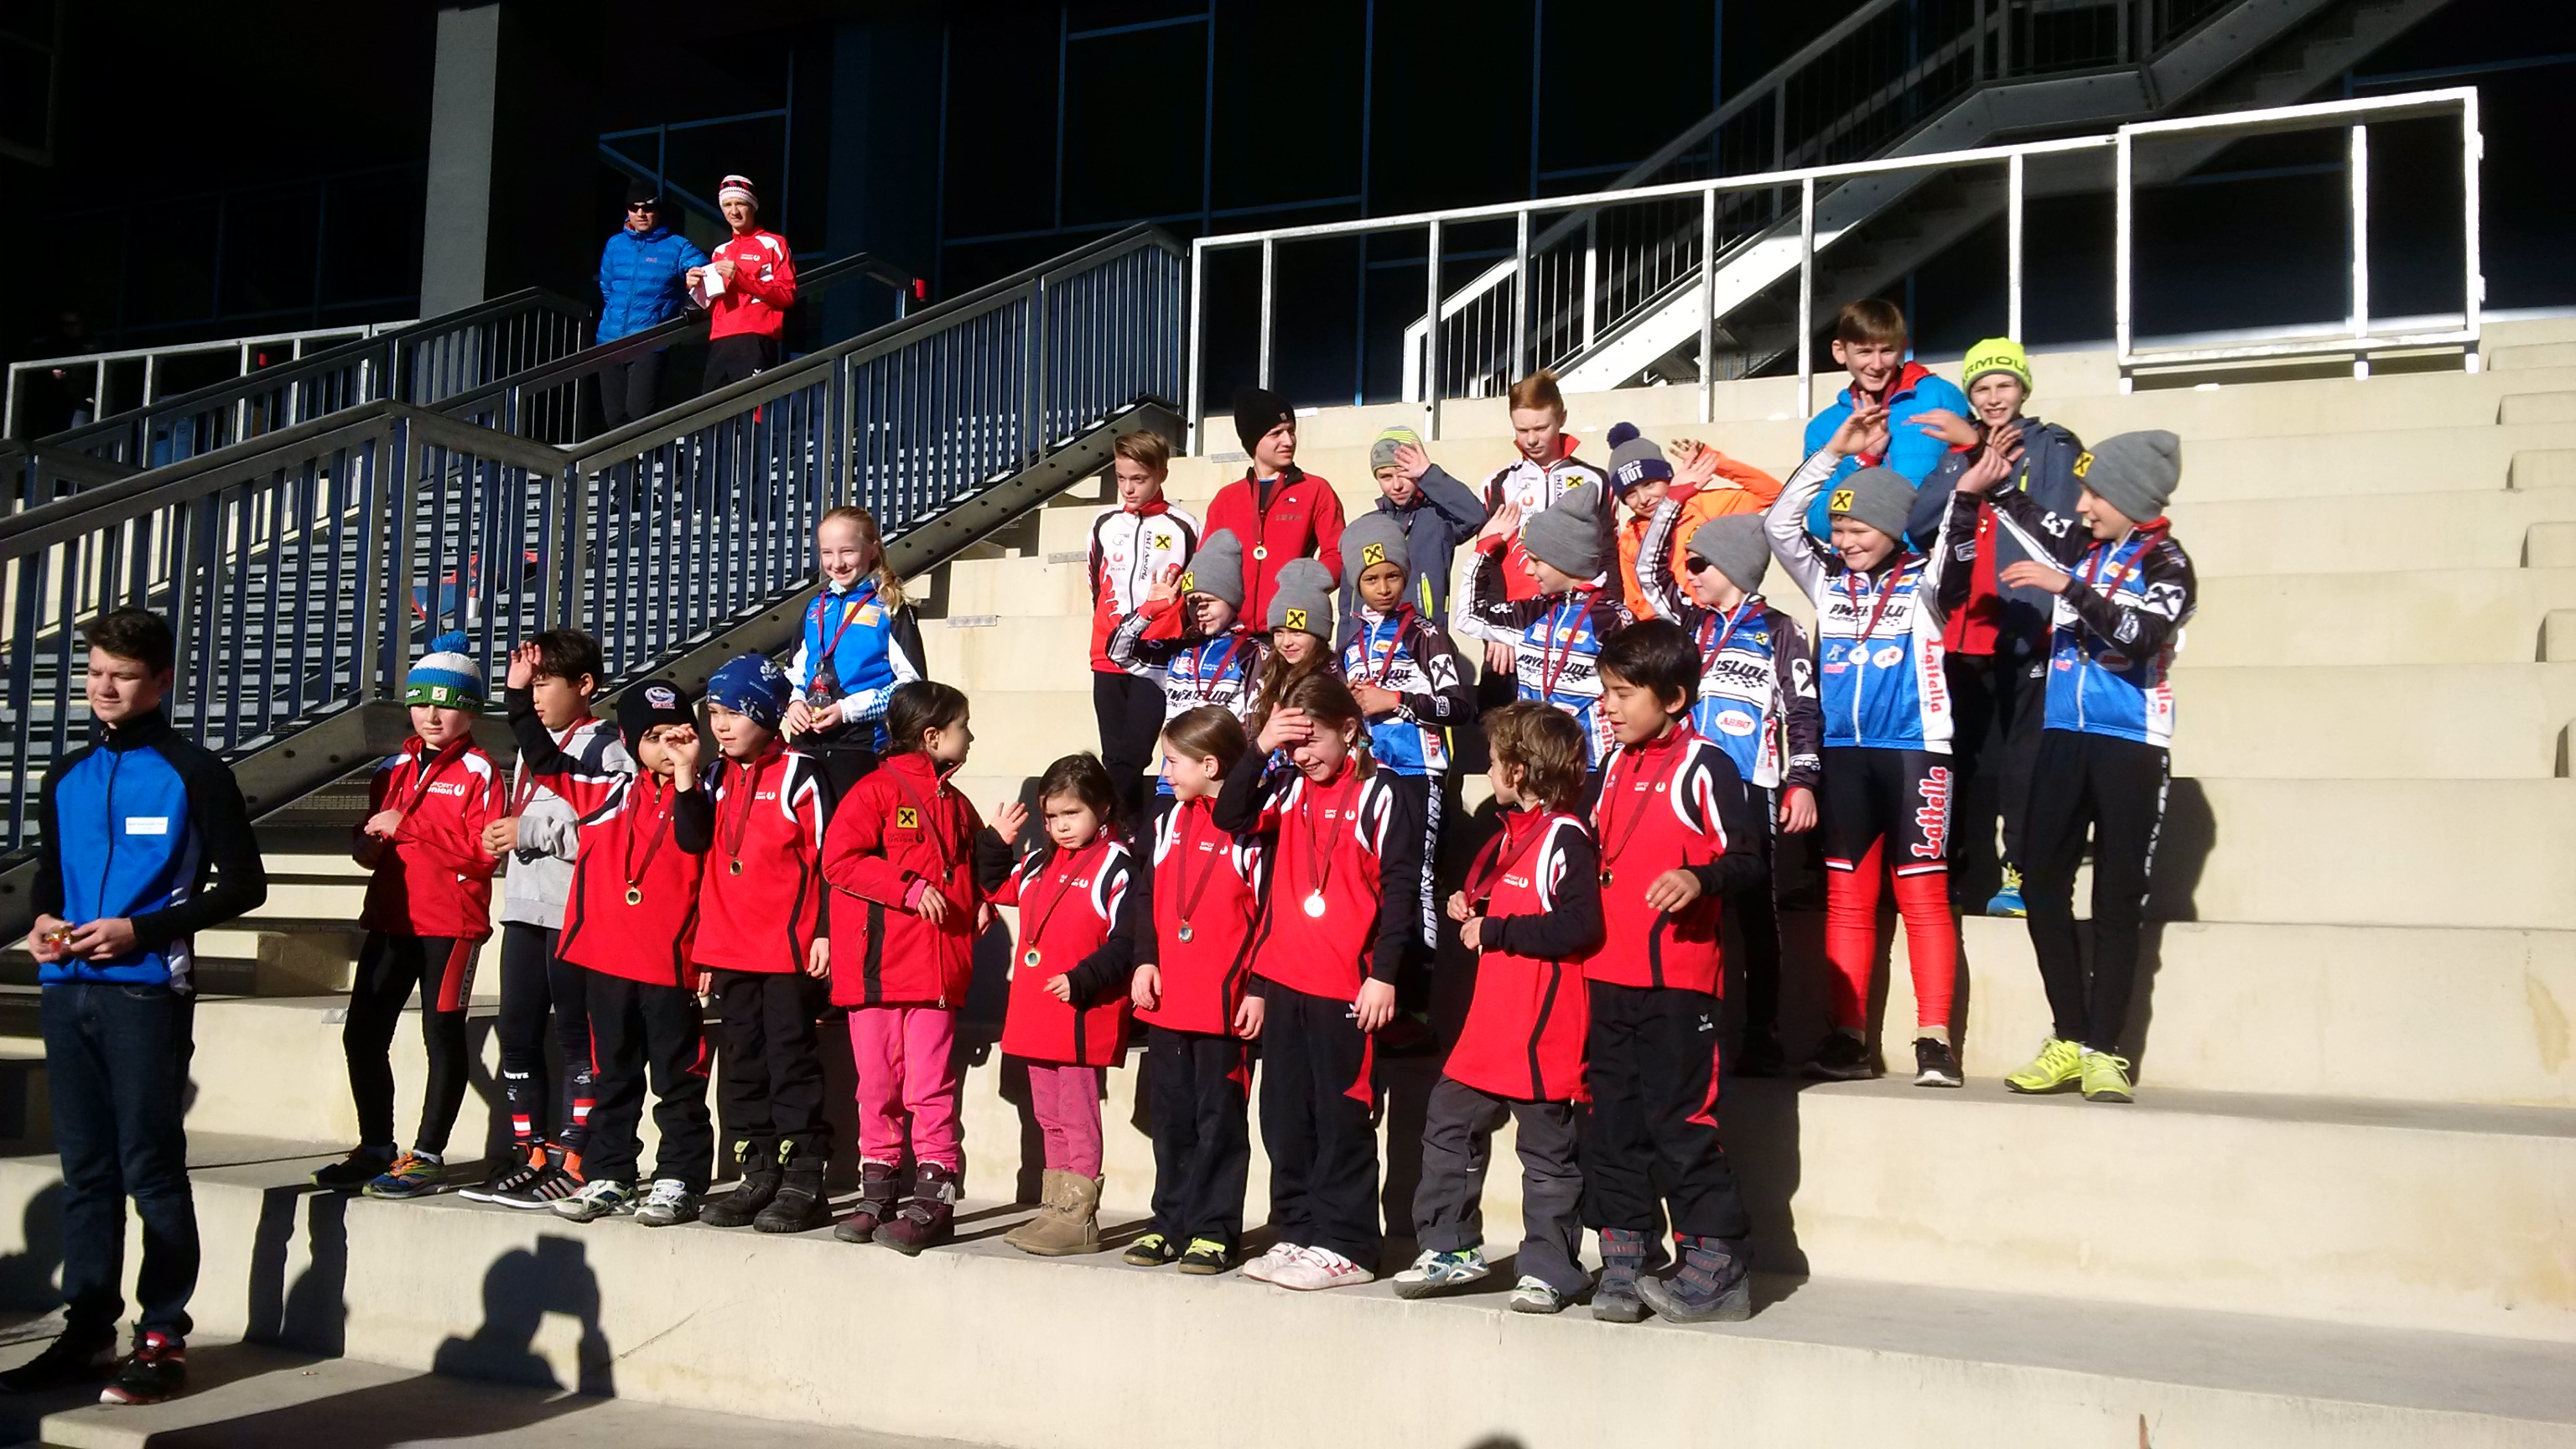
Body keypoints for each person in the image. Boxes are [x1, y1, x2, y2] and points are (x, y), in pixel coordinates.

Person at [6, 608, 266, 1406]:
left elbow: (245, 885)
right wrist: (45, 926)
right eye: (94, 673)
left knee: (150, 1169)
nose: (104, 688)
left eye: (121, 675)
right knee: (87, 1172)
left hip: (148, 993)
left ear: (161, 682)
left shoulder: (195, 771)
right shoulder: (67, 776)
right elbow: (51, 883)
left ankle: (161, 1335)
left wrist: (138, 929)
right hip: (68, 992)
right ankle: (88, 1327)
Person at [1950, 430, 2197, 1105]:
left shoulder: (2168, 562)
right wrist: (1978, 451)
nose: (2083, 505)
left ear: (2131, 499)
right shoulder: (2082, 544)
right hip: (2061, 734)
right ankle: (2070, 1034)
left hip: (2129, 744)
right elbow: (2026, 511)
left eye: (2095, 493)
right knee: (2042, 881)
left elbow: (2143, 634)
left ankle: (2105, 1050)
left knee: (2116, 898)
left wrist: (2072, 588)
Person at [1766, 408, 1967, 1088]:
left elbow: (1958, 533)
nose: (1844, 540)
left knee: (1922, 899)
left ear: (1890, 528)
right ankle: (1849, 1036)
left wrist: (1967, 462)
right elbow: (1779, 525)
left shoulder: (1925, 583)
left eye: (1856, 529)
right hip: (1845, 755)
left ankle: (1934, 1037)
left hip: (1916, 753)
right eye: (1840, 529)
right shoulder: (1829, 579)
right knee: (1849, 902)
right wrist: (1833, 454)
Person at [1581, 621, 1767, 1325]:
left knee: (1680, 1123)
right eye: (1607, 693)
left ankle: (1717, 1263)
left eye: (1626, 694)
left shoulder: (1705, 765)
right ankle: (1625, 1258)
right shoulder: (1612, 768)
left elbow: (1748, 861)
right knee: (1611, 1126)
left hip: (1678, 984)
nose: (1611, 706)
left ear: (1675, 696)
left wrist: (1699, 877)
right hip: (1608, 977)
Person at [1394, 702, 1601, 1315]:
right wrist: (1467, 903)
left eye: (1492, 761)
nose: (1486, 771)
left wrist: (1497, 931)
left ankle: (1551, 1267)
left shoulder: (1566, 835)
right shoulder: (1505, 833)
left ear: (1520, 768)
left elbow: (1579, 925)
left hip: (1541, 1026)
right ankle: (1451, 1246)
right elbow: (1497, 899)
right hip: (1489, 1025)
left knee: (1546, 1153)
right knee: (1448, 1124)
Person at [1218, 673, 1420, 1292]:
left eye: (1314, 741)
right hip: (1283, 979)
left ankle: (1349, 1242)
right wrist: (1259, 748)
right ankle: (1299, 1229)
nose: (1303, 756)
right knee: (1283, 1117)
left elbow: (1401, 892)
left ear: (1350, 730)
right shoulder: (1284, 788)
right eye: (1293, 745)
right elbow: (1230, 814)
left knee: (1340, 1117)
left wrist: (1384, 976)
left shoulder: (1382, 795)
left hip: (1346, 983)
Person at [313, 633, 503, 1201]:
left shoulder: (479, 770)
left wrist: (410, 827)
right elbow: (376, 833)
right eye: (422, 701)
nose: (432, 714)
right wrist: (366, 845)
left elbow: (485, 852)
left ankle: (427, 1155)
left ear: (469, 709)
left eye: (446, 703)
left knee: (441, 1035)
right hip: (391, 917)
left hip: (451, 924)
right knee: (363, 1033)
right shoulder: (392, 768)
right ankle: (376, 1145)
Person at [1634, 509, 1822, 1077]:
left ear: (1735, 568)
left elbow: (1804, 709)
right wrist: (1675, 500)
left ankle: (1760, 1031)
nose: (1688, 575)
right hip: (1684, 784)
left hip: (1749, 786)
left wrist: (1803, 781)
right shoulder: (1689, 624)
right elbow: (1649, 575)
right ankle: (1684, 1029)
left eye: (1699, 564)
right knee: (1687, 906)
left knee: (1754, 914)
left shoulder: (1780, 629)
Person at [1903, 338, 2085, 918]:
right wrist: (1966, 461)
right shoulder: (1956, 453)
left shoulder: (2054, 446)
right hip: (1963, 628)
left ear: (2023, 388)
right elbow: (1920, 521)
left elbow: (2059, 522)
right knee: (1968, 762)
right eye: (1981, 388)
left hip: (2028, 622)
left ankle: (2021, 871)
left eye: (2004, 385)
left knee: (2022, 761)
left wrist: (1983, 457)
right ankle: (1964, 869)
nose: (1994, 397)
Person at [530, 679, 715, 1228]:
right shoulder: (609, 791)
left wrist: (685, 774)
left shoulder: (702, 793)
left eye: (675, 736)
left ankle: (679, 1177)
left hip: (669, 964)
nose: (665, 748)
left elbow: (693, 840)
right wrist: (521, 696)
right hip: (608, 962)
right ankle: (610, 1173)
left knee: (677, 1080)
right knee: (614, 1074)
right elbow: (541, 756)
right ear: (632, 742)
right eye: (653, 738)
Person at [819, 681, 991, 1254]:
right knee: (878, 1086)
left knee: (931, 1086)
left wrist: (981, 902)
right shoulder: (873, 792)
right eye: (964, 725)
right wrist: (908, 887)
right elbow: (839, 861)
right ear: (933, 735)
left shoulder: (957, 804)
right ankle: (879, 1189)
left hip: (936, 973)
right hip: (876, 973)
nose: (972, 736)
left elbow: (966, 874)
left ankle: (934, 1195)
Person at [464, 630, 629, 1210]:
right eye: (528, 684)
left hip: (572, 914)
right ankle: (529, 1153)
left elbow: (609, 832)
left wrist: (533, 832)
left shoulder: (608, 748)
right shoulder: (527, 747)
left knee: (574, 1038)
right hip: (525, 909)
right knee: (516, 1033)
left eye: (544, 684)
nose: (533, 696)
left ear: (583, 686)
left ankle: (574, 1158)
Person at [673, 655, 833, 1232]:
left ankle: (803, 1176)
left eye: (735, 712)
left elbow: (828, 859)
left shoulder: (800, 773)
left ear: (765, 713)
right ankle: (758, 1171)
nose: (722, 724)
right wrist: (687, 777)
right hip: (729, 950)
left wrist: (826, 931)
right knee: (742, 1063)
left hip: (787, 952)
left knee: (790, 1059)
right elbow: (691, 843)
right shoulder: (713, 777)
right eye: (714, 712)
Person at [1124, 708, 1266, 1275]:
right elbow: (1144, 900)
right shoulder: (1164, 822)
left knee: (1219, 1121)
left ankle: (1214, 1229)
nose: (1166, 770)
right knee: (1172, 1118)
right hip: (1169, 999)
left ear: (1211, 765)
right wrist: (1144, 959)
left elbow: (1267, 916)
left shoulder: (1248, 829)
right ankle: (1170, 1221)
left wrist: (1257, 989)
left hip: (1225, 1004)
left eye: (1173, 761)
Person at [989, 754, 1140, 1256]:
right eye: (1051, 817)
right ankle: (1055, 1208)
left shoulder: (1116, 862)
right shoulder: (1038, 861)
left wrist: (1083, 979)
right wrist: (996, 842)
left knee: (1076, 1115)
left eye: (1072, 815)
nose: (1060, 827)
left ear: (1100, 808)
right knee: (1048, 1114)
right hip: (1036, 1007)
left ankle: (1080, 1216)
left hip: (1079, 1010)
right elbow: (994, 887)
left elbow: (1127, 939)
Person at [1337, 513, 1474, 1014]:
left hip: (1420, 770)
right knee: (1375, 875)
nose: (1383, 588)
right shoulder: (1350, 644)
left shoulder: (1425, 634)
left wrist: (1395, 700)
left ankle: (1420, 998)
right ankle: (1381, 980)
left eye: (1392, 576)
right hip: (1370, 775)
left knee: (1416, 878)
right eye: (1371, 580)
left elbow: (1460, 705)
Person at [1458, 482, 1631, 773]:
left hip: (1588, 768)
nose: (1527, 570)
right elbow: (1469, 616)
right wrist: (1485, 550)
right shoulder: (1533, 611)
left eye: (1536, 561)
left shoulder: (1612, 621)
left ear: (1566, 561)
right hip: (1533, 766)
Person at [1451, 370, 1606, 689]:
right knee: (1504, 723)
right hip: (1513, 622)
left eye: (1540, 428)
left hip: (1578, 620)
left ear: (1561, 418)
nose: (1531, 439)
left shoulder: (1595, 480)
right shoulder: (1500, 483)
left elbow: (1609, 556)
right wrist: (1496, 628)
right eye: (1522, 430)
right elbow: (1490, 558)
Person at [1087, 430, 1199, 819]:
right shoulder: (1103, 523)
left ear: (1161, 474)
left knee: (1134, 752)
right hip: (1107, 653)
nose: (1128, 488)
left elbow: (1193, 589)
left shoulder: (1183, 525)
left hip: (1157, 657)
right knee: (1116, 754)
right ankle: (1128, 835)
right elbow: (1095, 584)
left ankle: (1102, 822)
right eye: (1121, 478)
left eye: (1139, 479)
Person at [783, 506, 927, 798]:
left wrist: (848, 711)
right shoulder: (815, 607)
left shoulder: (891, 606)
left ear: (872, 549)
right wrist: (794, 703)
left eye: (848, 551)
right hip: (807, 743)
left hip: (863, 746)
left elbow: (911, 686)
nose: (837, 563)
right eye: (827, 553)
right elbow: (795, 671)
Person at [1797, 299, 1971, 539]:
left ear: (1902, 348)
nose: (1877, 364)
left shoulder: (1940, 396)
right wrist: (1864, 461)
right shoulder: (1823, 428)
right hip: (1860, 567)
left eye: (1887, 351)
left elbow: (1975, 475)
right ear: (1840, 352)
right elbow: (1819, 523)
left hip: (1932, 563)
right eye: (1865, 352)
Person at [1202, 386, 1345, 631]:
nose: (1288, 441)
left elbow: (1337, 553)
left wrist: (1307, 584)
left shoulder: (1315, 490)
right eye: (1276, 433)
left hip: (1291, 630)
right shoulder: (1226, 499)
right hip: (1235, 634)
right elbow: (1207, 562)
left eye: (1291, 431)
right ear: (1254, 441)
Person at [1604, 423, 1780, 620]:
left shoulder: (1703, 505)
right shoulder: (1631, 536)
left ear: (1669, 478)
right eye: (1630, 493)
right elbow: (1636, 600)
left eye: (1649, 484)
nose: (1644, 498)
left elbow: (1772, 494)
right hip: (1667, 633)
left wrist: (1715, 463)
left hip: (1713, 622)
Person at [1108, 529, 1266, 730]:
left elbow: (1258, 724)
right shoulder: (1178, 651)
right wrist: (1148, 611)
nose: (1200, 610)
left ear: (1231, 601)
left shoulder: (1252, 654)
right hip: (1176, 759)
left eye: (1209, 601)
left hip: (1224, 758)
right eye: (1192, 602)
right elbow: (1118, 652)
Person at [1334, 426, 1486, 636]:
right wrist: (1344, 651)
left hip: (1422, 642)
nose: (1396, 485)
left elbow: (1475, 516)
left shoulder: (1438, 519)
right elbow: (1348, 604)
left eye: (1404, 474)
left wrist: (1429, 474)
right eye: (1386, 477)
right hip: (1369, 649)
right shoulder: (1365, 528)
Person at [595, 179, 708, 429]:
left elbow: (705, 275)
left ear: (658, 210)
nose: (641, 214)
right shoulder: (615, 244)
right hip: (610, 341)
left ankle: (641, 467)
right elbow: (607, 287)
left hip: (650, 342)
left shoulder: (678, 246)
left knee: (639, 414)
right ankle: (626, 469)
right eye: (634, 208)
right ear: (627, 210)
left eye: (647, 208)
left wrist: (692, 287)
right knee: (614, 417)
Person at [688, 174, 797, 393]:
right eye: (727, 205)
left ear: (753, 207)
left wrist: (741, 278)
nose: (734, 211)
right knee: (712, 416)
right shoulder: (721, 250)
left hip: (755, 339)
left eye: (740, 204)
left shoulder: (774, 243)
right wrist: (695, 288)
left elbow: (788, 295)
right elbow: (714, 304)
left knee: (753, 413)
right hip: (721, 338)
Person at [1243, 558, 1340, 738]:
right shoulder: (1268, 671)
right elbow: (1251, 728)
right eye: (1279, 632)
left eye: (1297, 633)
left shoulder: (1333, 674)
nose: (1286, 642)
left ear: (1319, 634)